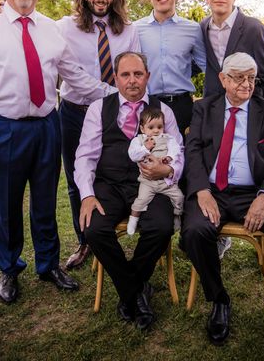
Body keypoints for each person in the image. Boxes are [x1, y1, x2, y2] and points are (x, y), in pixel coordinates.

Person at [0, 0, 115, 305]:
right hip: (3, 127)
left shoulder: (50, 29)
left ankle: (48, 264)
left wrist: (116, 93)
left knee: (45, 200)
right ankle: (10, 268)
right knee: (8, 203)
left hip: (46, 125)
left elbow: (75, 76)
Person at [0, 0, 139, 271]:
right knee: (74, 181)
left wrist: (121, 101)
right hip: (75, 114)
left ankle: (108, 233)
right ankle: (86, 241)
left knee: (114, 172)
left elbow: (133, 70)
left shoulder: (129, 30)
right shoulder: (62, 27)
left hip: (114, 115)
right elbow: (24, 24)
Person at [181, 52, 264, 359]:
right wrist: (201, 190)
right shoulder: (204, 108)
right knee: (194, 233)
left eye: (251, 78)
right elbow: (193, 151)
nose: (246, 84)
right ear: (223, 79)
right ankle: (219, 300)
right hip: (212, 191)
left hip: (254, 193)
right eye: (239, 77)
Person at [75, 51, 183, 330]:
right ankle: (135, 291)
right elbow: (85, 156)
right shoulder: (99, 109)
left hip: (150, 186)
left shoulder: (164, 111)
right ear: (115, 78)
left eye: (138, 74)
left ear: (147, 76)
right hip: (108, 185)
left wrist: (169, 171)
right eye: (125, 74)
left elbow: (179, 151)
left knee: (161, 226)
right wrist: (87, 195)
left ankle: (128, 291)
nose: (132, 80)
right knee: (94, 229)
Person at [200, 0, 264, 267]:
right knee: (222, 174)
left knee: (258, 173)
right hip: (218, 113)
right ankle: (220, 234)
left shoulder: (253, 28)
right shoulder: (203, 27)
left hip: (252, 114)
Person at [135, 0, 206, 136]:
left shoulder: (193, 29)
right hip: (146, 105)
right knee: (148, 158)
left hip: (182, 107)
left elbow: (207, 67)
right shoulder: (135, 29)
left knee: (182, 158)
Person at [127, 106, 184, 235]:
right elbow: (133, 155)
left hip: (166, 181)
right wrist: (145, 148)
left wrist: (170, 157)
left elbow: (176, 150)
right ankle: (133, 219)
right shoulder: (138, 140)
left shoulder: (168, 138)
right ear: (142, 128)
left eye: (159, 127)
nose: (156, 131)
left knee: (179, 197)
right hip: (147, 181)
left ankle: (177, 216)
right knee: (142, 199)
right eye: (151, 127)